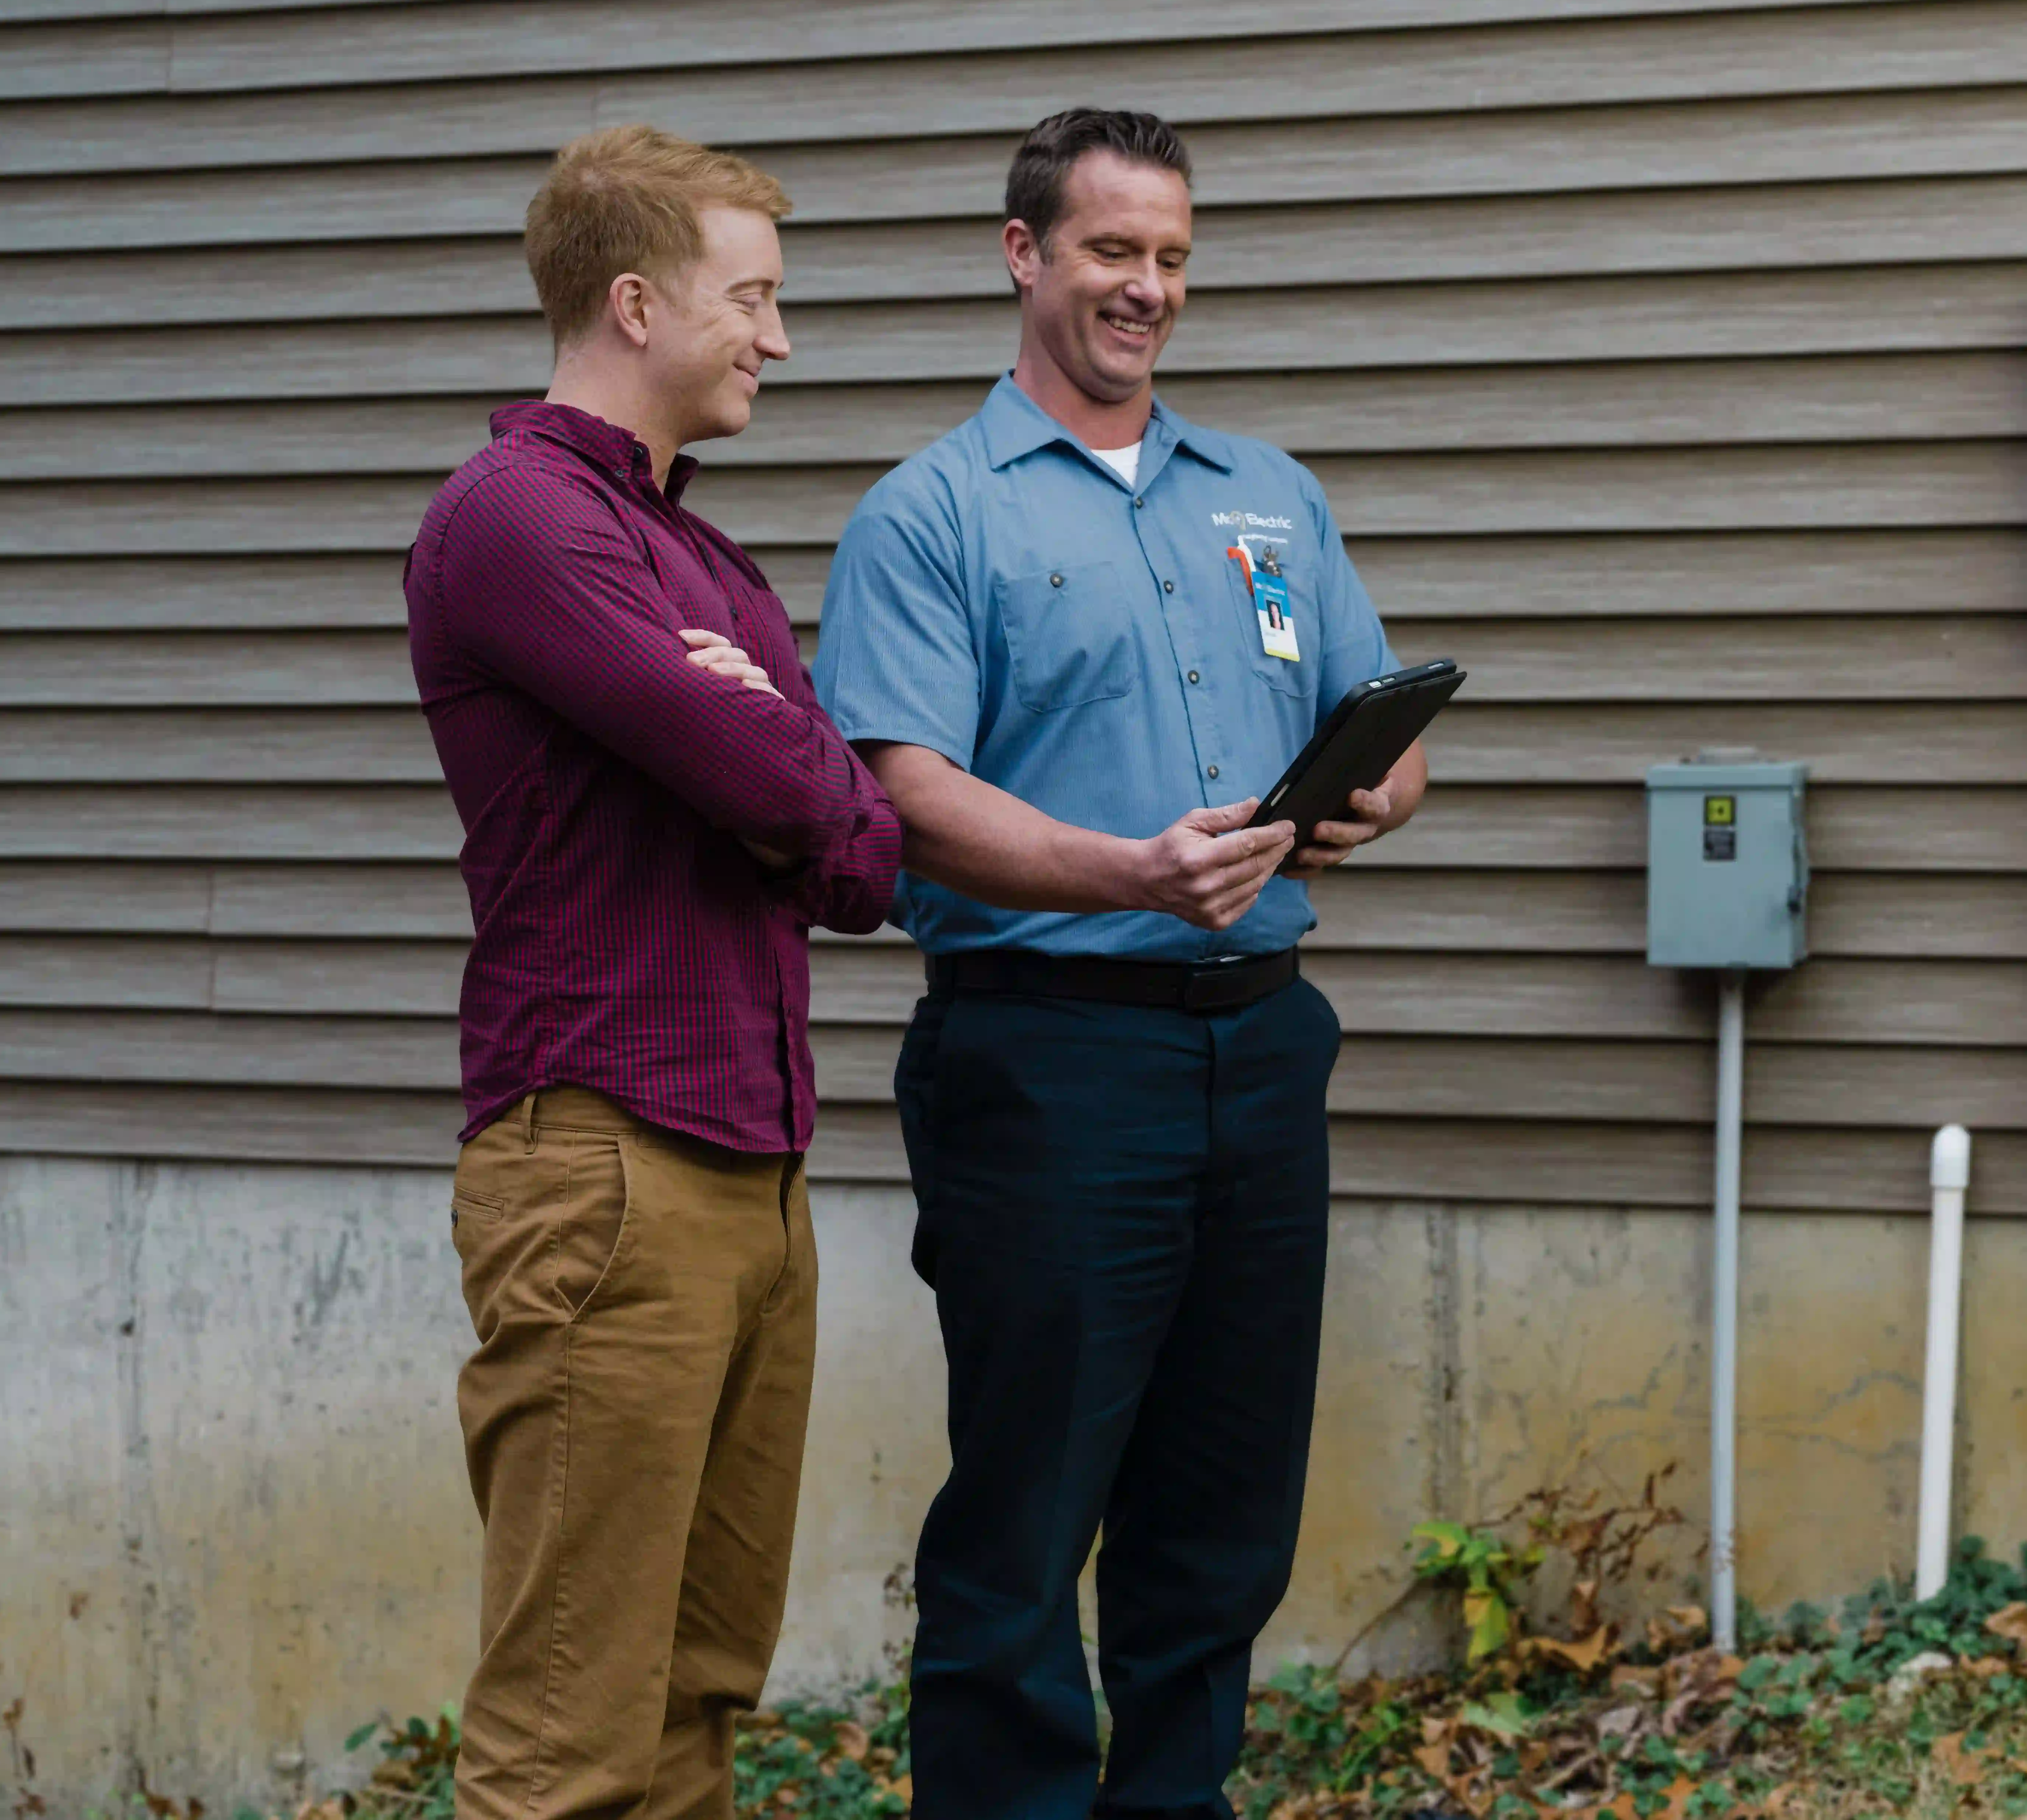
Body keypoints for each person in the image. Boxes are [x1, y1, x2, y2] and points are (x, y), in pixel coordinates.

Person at [813, 108, 1427, 1817]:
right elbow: (901, 794)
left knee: (1220, 1517)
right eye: (1110, 253)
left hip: (1261, 1046)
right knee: (1026, 1520)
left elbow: (1382, 734)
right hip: (1050, 1056)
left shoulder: (1270, 496)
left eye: (1168, 258)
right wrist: (1136, 876)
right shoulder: (931, 517)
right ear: (1025, 257)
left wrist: (1365, 788)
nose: (1144, 289)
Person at [405, 125, 902, 1820]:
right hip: (605, 1166)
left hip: (752, 1176)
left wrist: (768, 735)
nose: (779, 338)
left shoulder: (702, 560)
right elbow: (787, 790)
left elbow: (858, 861)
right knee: (569, 1732)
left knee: (693, 1703)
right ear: (635, 303)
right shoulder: (517, 525)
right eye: (752, 299)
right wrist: (777, 743)